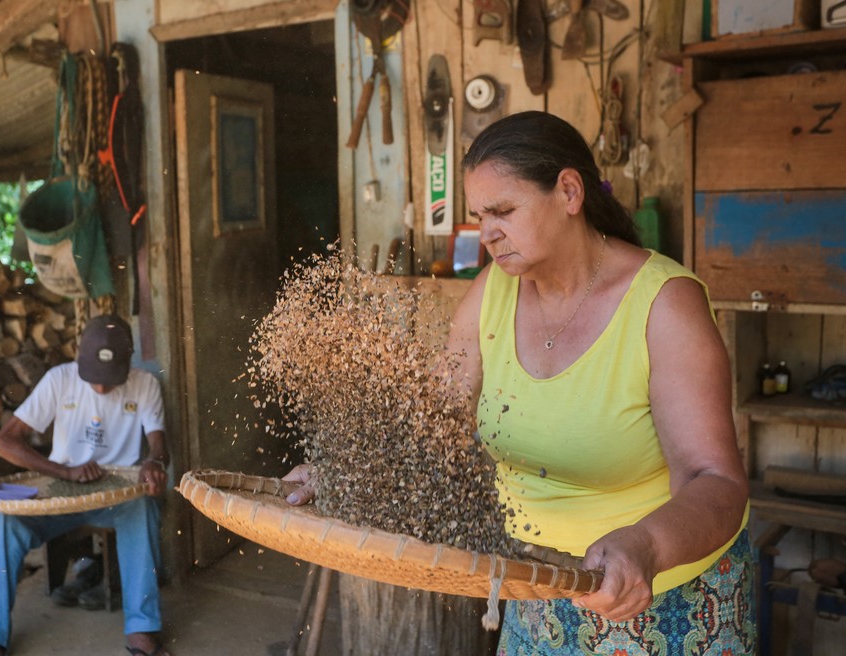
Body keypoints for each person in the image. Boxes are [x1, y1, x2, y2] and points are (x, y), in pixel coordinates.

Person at [286, 111, 755, 655]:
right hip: (536, 590)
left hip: (665, 599)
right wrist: (348, 474)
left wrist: (646, 547)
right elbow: (433, 424)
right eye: (479, 216)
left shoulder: (664, 305)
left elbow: (715, 479)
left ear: (569, 192)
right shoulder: (493, 293)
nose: (486, 234)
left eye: (503, 211)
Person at [0, 314, 171, 656]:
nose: (102, 388)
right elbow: (4, 442)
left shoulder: (145, 384)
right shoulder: (58, 379)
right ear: (78, 357)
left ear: (127, 361)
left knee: (143, 506)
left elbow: (159, 444)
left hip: (116, 493)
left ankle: (142, 629)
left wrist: (154, 461)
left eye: (111, 379)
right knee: (5, 524)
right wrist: (63, 471)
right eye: (94, 379)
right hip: (58, 493)